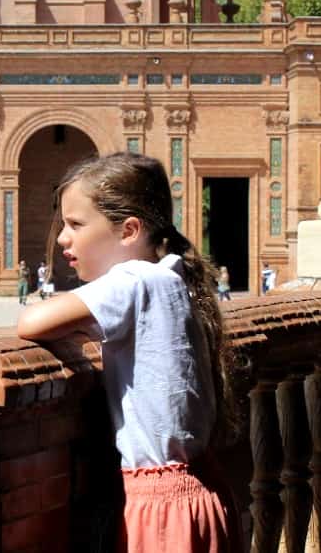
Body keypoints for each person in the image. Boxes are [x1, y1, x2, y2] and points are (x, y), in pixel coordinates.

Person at [17, 152, 240, 553]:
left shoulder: (134, 280)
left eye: (75, 224)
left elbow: (31, 323)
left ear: (129, 231)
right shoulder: (171, 276)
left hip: (160, 507)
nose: (63, 238)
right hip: (201, 493)